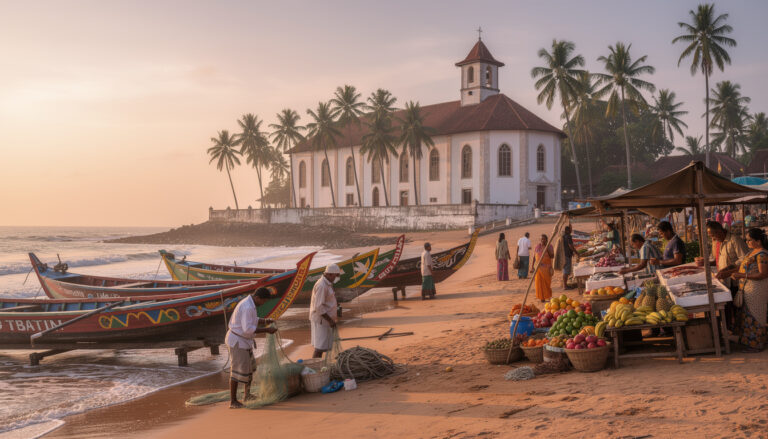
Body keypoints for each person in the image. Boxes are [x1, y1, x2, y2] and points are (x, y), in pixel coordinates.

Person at [226, 287, 277, 409]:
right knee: (237, 371)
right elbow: (247, 329)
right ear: (258, 298)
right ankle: (233, 401)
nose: (263, 303)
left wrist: (265, 321)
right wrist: (266, 330)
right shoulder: (248, 306)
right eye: (263, 301)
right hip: (237, 342)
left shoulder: (250, 303)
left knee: (249, 369)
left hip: (244, 341)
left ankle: (247, 395)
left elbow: (252, 320)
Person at [731, 228, 768, 352]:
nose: (747, 243)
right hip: (746, 288)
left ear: (758, 241)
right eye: (746, 240)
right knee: (746, 315)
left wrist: (742, 276)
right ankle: (747, 342)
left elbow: (763, 274)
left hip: (756, 290)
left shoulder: (762, 254)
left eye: (749, 240)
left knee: (755, 315)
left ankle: (756, 344)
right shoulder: (751, 252)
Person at [706, 220, 748, 293]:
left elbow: (745, 259)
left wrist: (728, 270)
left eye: (713, 236)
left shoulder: (734, 240)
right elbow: (719, 259)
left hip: (735, 281)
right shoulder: (718, 242)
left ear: (719, 231)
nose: (713, 239)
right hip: (724, 280)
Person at [310, 264, 340, 359]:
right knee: (319, 348)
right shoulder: (322, 285)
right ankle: (315, 368)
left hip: (325, 320)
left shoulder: (327, 283)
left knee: (322, 346)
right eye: (336, 275)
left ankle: (318, 367)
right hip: (321, 320)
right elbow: (318, 307)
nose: (336, 278)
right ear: (330, 274)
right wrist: (330, 320)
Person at [531, 234, 554, 302]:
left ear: (546, 240)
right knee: (539, 283)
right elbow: (534, 257)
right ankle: (542, 298)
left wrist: (547, 248)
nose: (542, 240)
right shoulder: (537, 247)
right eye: (541, 239)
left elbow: (552, 256)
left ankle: (548, 296)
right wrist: (532, 267)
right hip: (538, 268)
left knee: (547, 283)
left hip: (546, 269)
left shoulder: (550, 246)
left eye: (544, 239)